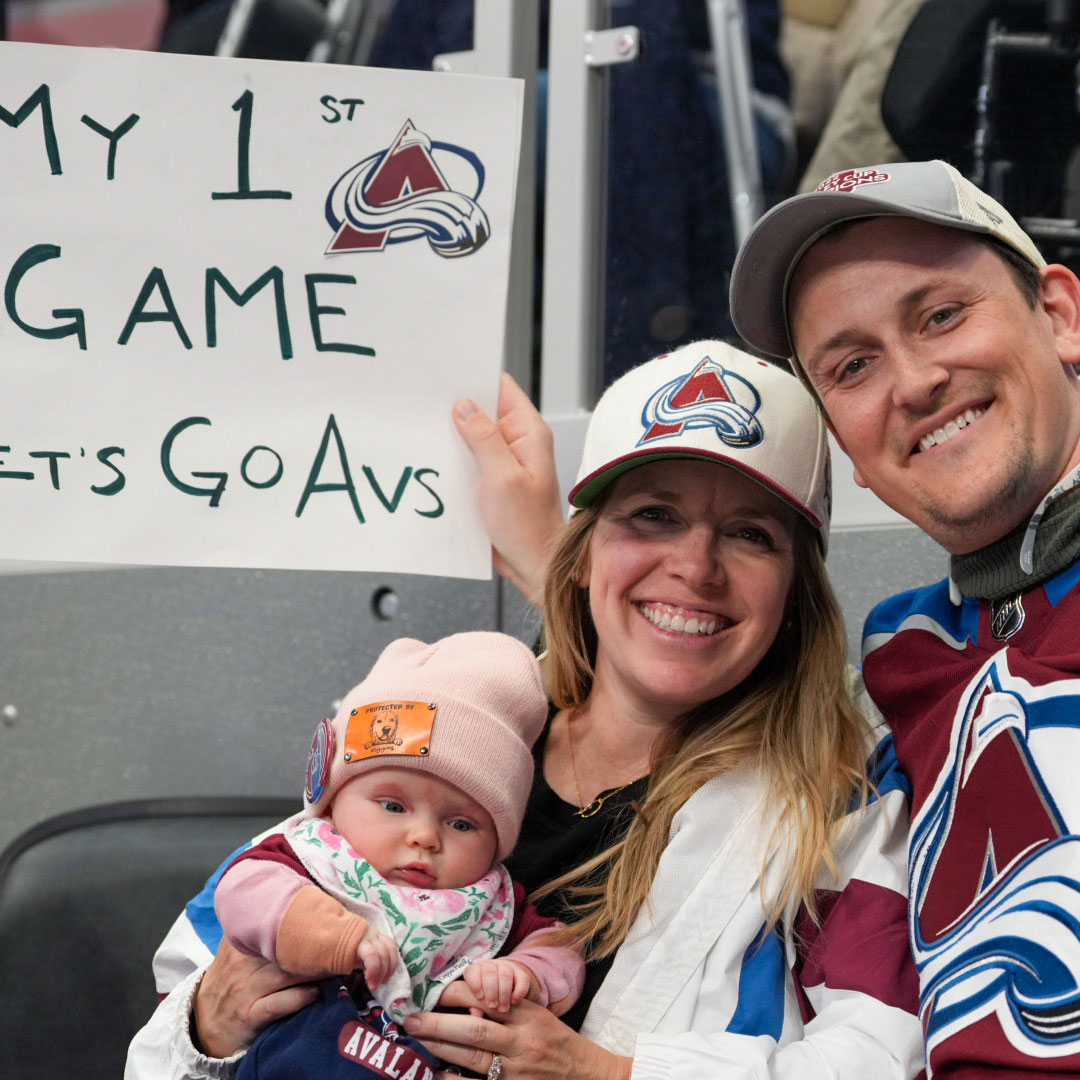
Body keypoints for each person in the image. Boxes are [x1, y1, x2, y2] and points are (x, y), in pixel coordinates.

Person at [127, 341, 922, 1079]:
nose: (695, 566)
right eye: (653, 515)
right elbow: (177, 1018)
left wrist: (605, 1075)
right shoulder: (460, 720)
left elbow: (880, 1057)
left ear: (794, 594)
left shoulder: (839, 800)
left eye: (750, 534)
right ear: (581, 557)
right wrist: (211, 1026)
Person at [728, 158, 1080, 1075]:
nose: (916, 381)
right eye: (853, 366)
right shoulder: (901, 660)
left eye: (942, 315)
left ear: (1060, 315)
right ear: (844, 444)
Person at [210, 632, 584, 1077]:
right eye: (392, 806)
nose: (425, 837)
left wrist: (527, 976)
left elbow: (561, 946)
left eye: (461, 824)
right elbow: (244, 891)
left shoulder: (490, 902)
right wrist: (329, 934)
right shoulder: (313, 856)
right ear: (331, 803)